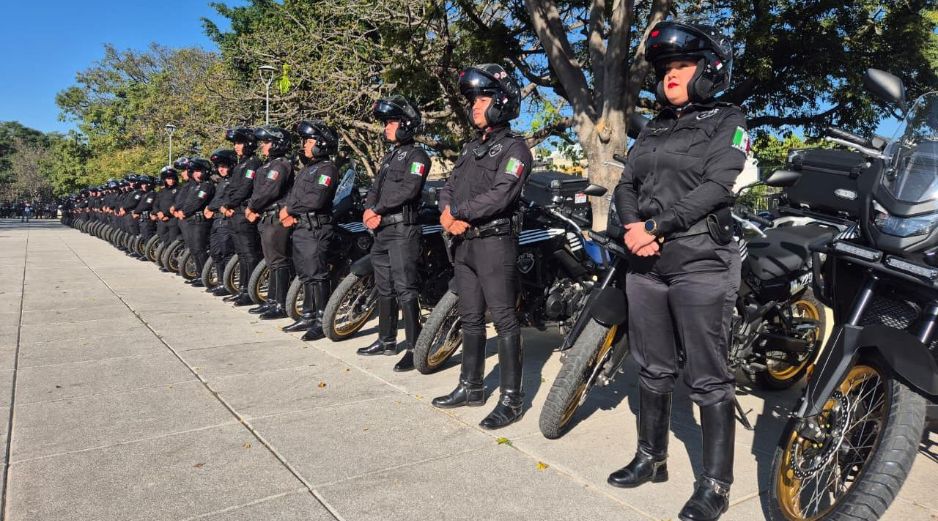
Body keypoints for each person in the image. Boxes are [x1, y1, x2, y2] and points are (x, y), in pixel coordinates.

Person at [607, 21, 745, 521]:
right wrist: (631, 226)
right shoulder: (655, 127)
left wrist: (659, 225)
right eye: (665, 68)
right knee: (652, 366)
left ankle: (715, 485)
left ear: (707, 71)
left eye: (681, 66)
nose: (669, 76)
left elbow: (717, 187)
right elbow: (627, 183)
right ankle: (651, 458)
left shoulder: (730, 120)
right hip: (645, 264)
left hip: (700, 262)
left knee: (708, 377)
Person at [432, 64, 532, 430]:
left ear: (502, 102)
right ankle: (470, 386)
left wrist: (459, 212)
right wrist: (446, 212)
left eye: (483, 98)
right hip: (464, 244)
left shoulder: (516, 148)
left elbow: (502, 194)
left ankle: (511, 399)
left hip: (494, 242)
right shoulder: (471, 148)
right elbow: (448, 185)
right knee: (470, 317)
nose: (475, 105)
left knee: (504, 320)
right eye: (473, 99)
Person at [356, 96, 431, 372]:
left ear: (406, 124)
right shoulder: (388, 158)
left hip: (403, 230)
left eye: (390, 122)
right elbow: (375, 188)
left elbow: (409, 190)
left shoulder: (418, 156)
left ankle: (413, 347)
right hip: (382, 231)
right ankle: (386, 340)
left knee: (405, 288)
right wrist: (368, 210)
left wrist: (376, 208)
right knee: (384, 287)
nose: (386, 128)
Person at [279, 120, 340, 340]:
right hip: (301, 228)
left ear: (322, 144)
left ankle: (321, 319)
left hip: (317, 228)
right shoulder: (308, 169)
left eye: (309, 140)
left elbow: (316, 199)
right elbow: (295, 197)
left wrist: (289, 209)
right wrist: (288, 211)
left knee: (317, 274)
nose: (304, 144)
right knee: (305, 274)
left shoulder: (328, 169)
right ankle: (308, 313)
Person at [245, 127, 294, 319]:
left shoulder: (280, 165)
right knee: (272, 262)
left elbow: (270, 191)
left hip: (275, 218)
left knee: (278, 262)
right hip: (266, 217)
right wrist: (252, 206)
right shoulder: (269, 166)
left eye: (266, 143)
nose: (263, 146)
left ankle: (280, 304)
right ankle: (272, 300)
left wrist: (252, 207)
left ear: (277, 143)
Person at [219, 128, 264, 306]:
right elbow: (231, 189)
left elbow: (246, 187)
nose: (236, 147)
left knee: (249, 254)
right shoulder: (241, 164)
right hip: (234, 213)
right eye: (235, 143)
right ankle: (243, 289)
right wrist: (227, 204)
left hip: (243, 212)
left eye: (239, 143)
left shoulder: (253, 163)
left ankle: (250, 291)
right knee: (242, 254)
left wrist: (229, 204)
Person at [175, 158, 215, 287]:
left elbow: (198, 201)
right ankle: (199, 274)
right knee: (194, 249)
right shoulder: (195, 186)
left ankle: (204, 275)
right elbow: (186, 201)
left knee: (199, 249)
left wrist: (184, 212)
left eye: (199, 171)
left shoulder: (206, 185)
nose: (196, 174)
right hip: (191, 221)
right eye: (194, 172)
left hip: (199, 222)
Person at [205, 149, 238, 296]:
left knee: (226, 252)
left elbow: (227, 199)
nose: (221, 169)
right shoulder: (221, 182)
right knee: (216, 252)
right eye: (219, 167)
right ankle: (220, 281)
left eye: (224, 166)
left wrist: (212, 207)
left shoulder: (233, 181)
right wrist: (209, 207)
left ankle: (227, 283)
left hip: (226, 220)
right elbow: (217, 199)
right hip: (217, 219)